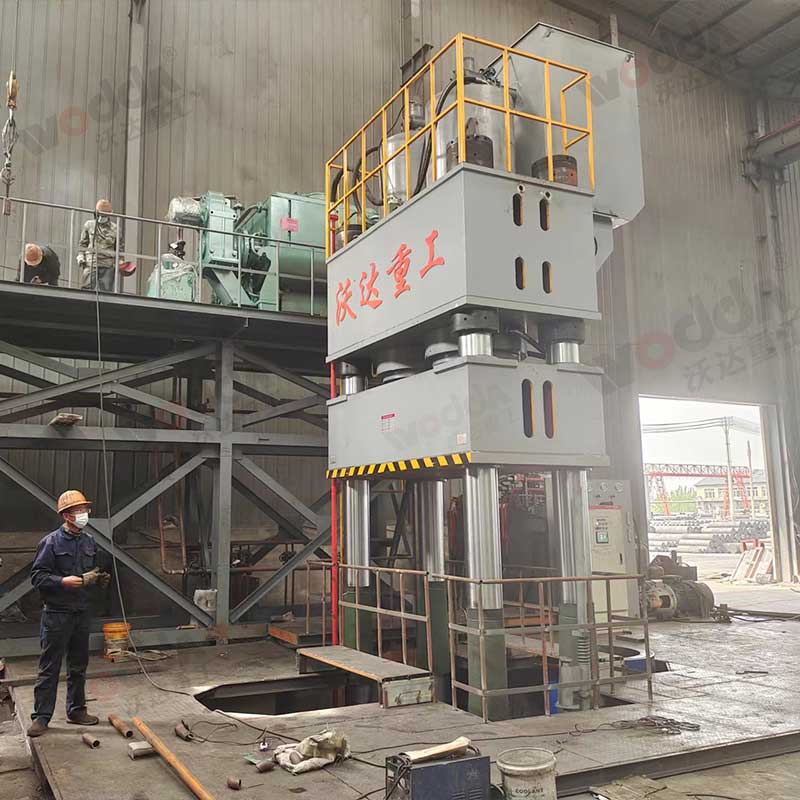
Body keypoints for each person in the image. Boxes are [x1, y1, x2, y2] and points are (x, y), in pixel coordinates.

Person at [27, 490, 110, 738]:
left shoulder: (89, 542)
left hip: (81, 612)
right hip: (57, 613)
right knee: (49, 666)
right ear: (66, 515)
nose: (84, 514)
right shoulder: (51, 543)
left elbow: (92, 571)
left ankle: (76, 711)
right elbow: (37, 577)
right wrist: (62, 581)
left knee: (78, 664)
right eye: (79, 511)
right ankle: (41, 717)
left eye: (85, 510)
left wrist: (98, 579)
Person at [77, 198, 123, 292]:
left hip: (108, 265)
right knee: (86, 291)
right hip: (91, 263)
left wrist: (120, 261)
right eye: (101, 214)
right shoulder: (89, 225)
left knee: (106, 294)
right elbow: (83, 244)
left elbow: (120, 248)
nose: (102, 217)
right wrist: (81, 256)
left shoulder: (115, 229)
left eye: (104, 215)